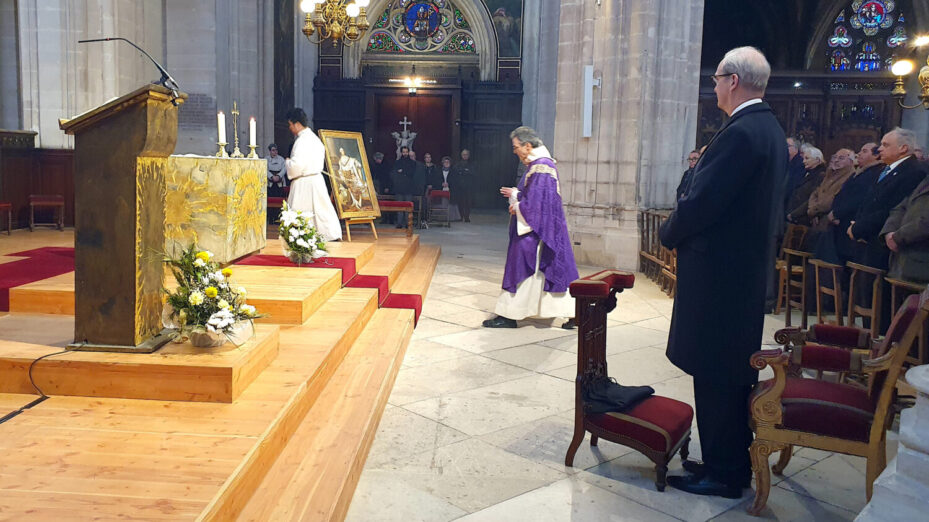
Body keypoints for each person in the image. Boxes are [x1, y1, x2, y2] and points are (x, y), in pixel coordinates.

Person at [659, 47, 785, 499]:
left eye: (715, 79)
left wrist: (668, 233)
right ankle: (723, 458)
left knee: (716, 372)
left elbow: (702, 202)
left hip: (721, 281)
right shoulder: (766, 127)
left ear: (733, 80)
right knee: (729, 373)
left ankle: (725, 472)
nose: (713, 87)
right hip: (739, 277)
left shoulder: (742, 132)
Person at [482, 126, 579, 330]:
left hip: (536, 232)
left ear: (527, 146)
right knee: (548, 272)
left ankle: (509, 315)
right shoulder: (538, 165)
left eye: (516, 146)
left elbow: (537, 205)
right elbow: (537, 197)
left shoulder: (541, 167)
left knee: (523, 267)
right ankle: (573, 314)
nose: (514, 150)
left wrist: (517, 205)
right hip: (542, 228)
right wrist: (517, 194)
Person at [816, 142, 882, 266]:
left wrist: (837, 213)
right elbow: (841, 194)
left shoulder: (874, 173)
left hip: (847, 225)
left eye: (864, 151)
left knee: (841, 266)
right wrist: (834, 212)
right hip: (837, 224)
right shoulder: (860, 172)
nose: (859, 154)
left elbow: (858, 199)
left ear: (876, 156)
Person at [284, 107, 342, 241]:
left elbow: (296, 166)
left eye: (290, 125)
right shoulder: (315, 139)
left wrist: (287, 163)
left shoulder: (302, 141)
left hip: (304, 183)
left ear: (297, 124)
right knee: (321, 212)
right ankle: (327, 237)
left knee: (302, 216)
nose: (290, 128)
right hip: (316, 180)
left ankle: (301, 242)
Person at [881, 171, 929, 285]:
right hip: (903, 262)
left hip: (922, 266)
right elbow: (900, 208)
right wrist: (889, 232)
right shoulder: (925, 180)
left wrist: (898, 237)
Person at [805, 148, 856, 229]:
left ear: (851, 161)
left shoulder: (851, 177)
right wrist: (812, 210)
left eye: (841, 158)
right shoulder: (830, 173)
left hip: (830, 222)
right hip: (817, 217)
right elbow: (815, 193)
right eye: (835, 157)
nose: (836, 160)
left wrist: (814, 210)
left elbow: (832, 200)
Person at [786, 145, 826, 226]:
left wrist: (794, 214)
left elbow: (813, 198)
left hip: (803, 218)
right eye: (804, 158)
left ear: (817, 160)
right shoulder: (806, 172)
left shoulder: (820, 176)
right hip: (794, 216)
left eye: (807, 158)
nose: (803, 161)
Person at [390, 146, 416, 228]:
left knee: (408, 206)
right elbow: (395, 173)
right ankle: (399, 223)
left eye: (406, 152)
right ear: (401, 152)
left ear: (408, 152)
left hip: (408, 187)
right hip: (399, 187)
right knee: (399, 206)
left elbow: (411, 173)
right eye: (403, 152)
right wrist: (402, 172)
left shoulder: (412, 163)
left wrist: (402, 171)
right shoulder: (397, 162)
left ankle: (408, 223)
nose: (405, 153)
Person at [449, 149, 474, 222]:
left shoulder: (472, 164)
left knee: (468, 202)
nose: (465, 156)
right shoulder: (458, 164)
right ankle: (460, 216)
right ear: (461, 155)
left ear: (468, 155)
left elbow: (473, 173)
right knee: (460, 202)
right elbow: (456, 173)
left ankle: (467, 217)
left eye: (466, 154)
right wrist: (465, 171)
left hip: (469, 187)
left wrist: (464, 172)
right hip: (459, 187)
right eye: (463, 154)